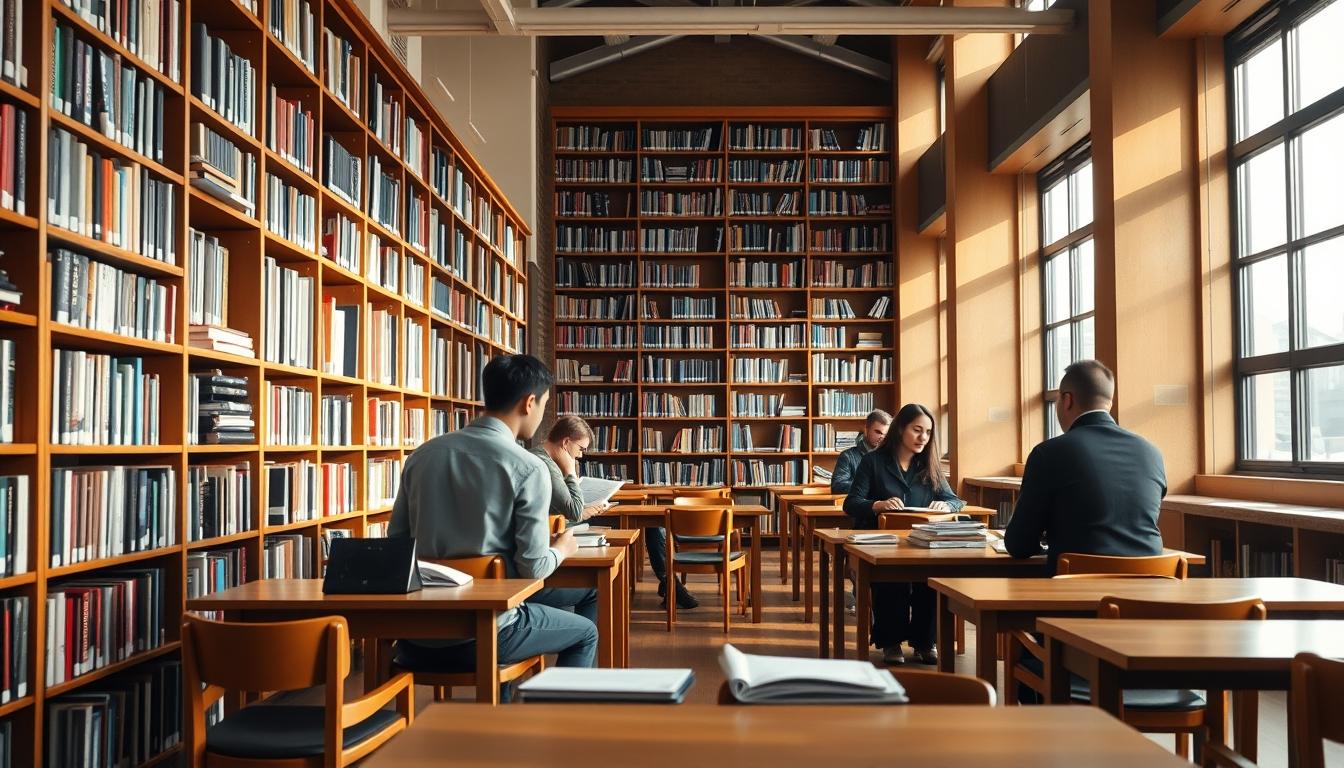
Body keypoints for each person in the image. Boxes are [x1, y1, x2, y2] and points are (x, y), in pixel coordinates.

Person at [388, 354, 598, 689]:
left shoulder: (422, 456)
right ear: (529, 403)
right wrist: (562, 548)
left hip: (416, 634)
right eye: (544, 403)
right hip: (488, 632)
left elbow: (395, 546)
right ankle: (560, 725)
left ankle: (503, 703)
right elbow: (533, 568)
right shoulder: (528, 467)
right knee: (586, 632)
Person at [1004, 359, 1166, 575]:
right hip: (1149, 593)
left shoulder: (1049, 453)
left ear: (1067, 400)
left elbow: (1019, 545)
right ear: (1109, 402)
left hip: (1076, 595)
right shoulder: (1152, 453)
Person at [843, 403, 963, 666]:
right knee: (892, 582)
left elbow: (955, 500)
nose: (923, 438)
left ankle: (924, 642)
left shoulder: (928, 465)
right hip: (883, 542)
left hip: (921, 542)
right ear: (900, 430)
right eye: (917, 430)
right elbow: (851, 503)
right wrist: (877, 505)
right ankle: (891, 641)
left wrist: (947, 505)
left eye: (928, 432)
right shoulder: (872, 461)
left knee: (930, 583)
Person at [531, 415, 611, 525]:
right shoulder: (546, 465)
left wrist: (583, 512)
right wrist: (570, 472)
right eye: (581, 449)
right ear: (566, 442)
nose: (580, 455)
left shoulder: (538, 454)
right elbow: (575, 513)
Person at [830, 409, 891, 494]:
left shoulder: (892, 457)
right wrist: (870, 486)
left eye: (886, 434)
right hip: (857, 506)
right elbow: (837, 486)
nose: (882, 437)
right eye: (878, 432)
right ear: (866, 429)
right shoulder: (847, 456)